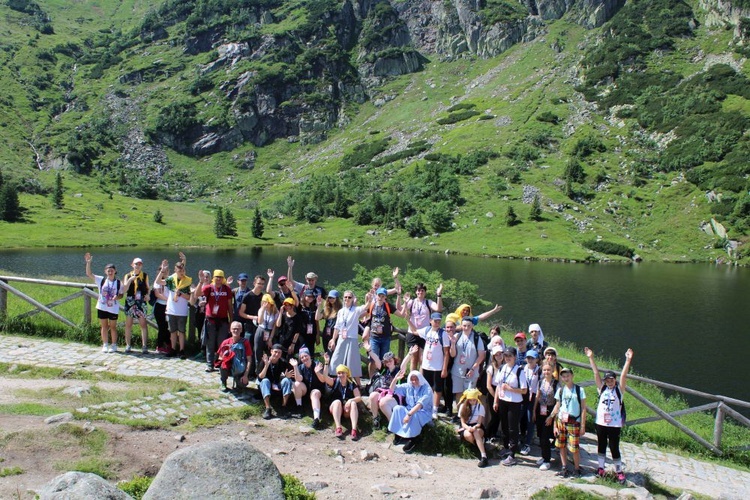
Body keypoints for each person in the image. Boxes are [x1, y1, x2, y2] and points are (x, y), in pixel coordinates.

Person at [586, 347, 634, 484]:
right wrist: (591, 357)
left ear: (615, 380)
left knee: (614, 447)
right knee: (601, 445)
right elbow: (595, 374)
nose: (609, 382)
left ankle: (619, 471)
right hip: (601, 422)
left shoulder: (619, 390)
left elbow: (624, 376)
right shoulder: (602, 389)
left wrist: (628, 360)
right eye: (607, 380)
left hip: (614, 424)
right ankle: (601, 468)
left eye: (611, 379)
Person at [84, 253, 129, 353]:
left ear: (115, 271)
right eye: (108, 270)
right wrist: (88, 263)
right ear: (105, 272)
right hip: (102, 306)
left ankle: (114, 345)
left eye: (112, 270)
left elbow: (121, 294)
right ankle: (105, 344)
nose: (110, 272)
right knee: (104, 326)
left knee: (113, 326)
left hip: (113, 308)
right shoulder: (101, 280)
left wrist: (117, 297)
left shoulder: (118, 282)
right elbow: (89, 274)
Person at [492, 347, 527, 466]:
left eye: (510, 356)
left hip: (514, 402)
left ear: (515, 357)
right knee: (505, 426)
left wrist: (510, 389)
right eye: (506, 356)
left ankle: (512, 454)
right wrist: (495, 401)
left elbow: (524, 390)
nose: (507, 358)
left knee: (513, 428)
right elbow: (498, 385)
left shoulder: (519, 371)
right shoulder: (502, 368)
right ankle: (506, 447)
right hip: (503, 400)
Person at [364, 345, 414, 429]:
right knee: (372, 395)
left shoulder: (399, 370)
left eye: (390, 360)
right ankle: (375, 418)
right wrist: (369, 350)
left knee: (383, 402)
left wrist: (409, 354)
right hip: (383, 392)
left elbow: (404, 364)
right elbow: (376, 359)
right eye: (386, 361)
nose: (388, 363)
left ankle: (393, 424)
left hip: (395, 394)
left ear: (394, 360)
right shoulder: (383, 369)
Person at [411, 312, 450, 420]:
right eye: (435, 321)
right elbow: (414, 331)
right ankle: (426, 406)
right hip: (426, 365)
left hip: (438, 366)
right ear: (430, 321)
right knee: (426, 387)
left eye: (439, 321)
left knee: (437, 389)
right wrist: (408, 320)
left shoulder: (443, 334)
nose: (437, 323)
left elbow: (446, 352)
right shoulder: (427, 330)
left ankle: (435, 410)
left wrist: (444, 368)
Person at [328, 290, 370, 386]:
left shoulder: (355, 310)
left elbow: (366, 307)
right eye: (345, 297)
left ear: (352, 299)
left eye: (349, 297)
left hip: (352, 339)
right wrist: (333, 340)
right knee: (336, 359)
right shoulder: (340, 311)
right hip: (341, 339)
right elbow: (337, 327)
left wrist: (369, 299)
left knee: (353, 362)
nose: (347, 299)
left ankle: (359, 385)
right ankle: (334, 382)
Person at [551, 367, 587, 478]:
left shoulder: (579, 390)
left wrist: (582, 425)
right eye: (564, 376)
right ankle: (564, 467)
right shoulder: (560, 390)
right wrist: (555, 425)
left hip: (573, 421)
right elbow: (557, 406)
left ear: (572, 376)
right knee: (561, 445)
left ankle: (577, 468)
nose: (566, 378)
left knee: (574, 447)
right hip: (561, 421)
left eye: (568, 376)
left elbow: (583, 408)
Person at [388, 369, 434, 453]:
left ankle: (413, 438)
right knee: (397, 408)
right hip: (409, 409)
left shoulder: (426, 389)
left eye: (416, 379)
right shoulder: (408, 386)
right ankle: (398, 433)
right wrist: (395, 379)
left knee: (415, 415)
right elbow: (392, 389)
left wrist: (408, 415)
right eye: (412, 379)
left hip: (423, 412)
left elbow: (420, 405)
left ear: (420, 379)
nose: (414, 381)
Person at [320, 352, 362, 440]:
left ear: (347, 374)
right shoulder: (335, 381)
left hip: (346, 409)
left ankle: (354, 430)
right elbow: (325, 377)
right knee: (337, 402)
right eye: (339, 373)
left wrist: (350, 400)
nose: (341, 375)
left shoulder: (351, 384)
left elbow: (359, 397)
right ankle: (338, 428)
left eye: (343, 373)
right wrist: (326, 363)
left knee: (353, 403)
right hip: (335, 407)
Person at [155, 255, 191, 359]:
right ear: (175, 271)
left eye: (182, 270)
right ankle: (173, 349)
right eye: (179, 271)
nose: (181, 272)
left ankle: (182, 350)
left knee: (182, 331)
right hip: (171, 310)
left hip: (182, 311)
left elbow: (188, 297)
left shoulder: (187, 281)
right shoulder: (171, 280)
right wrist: (162, 271)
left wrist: (180, 294)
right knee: (173, 331)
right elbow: (158, 282)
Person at [401, 282, 443, 371]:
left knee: (422, 359)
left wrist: (439, 295)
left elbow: (439, 309)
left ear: (425, 292)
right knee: (413, 358)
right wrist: (405, 302)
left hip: (425, 333)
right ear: (416, 292)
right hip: (412, 332)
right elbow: (401, 310)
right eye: (418, 291)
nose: (420, 292)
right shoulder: (411, 302)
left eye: (422, 291)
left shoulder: (428, 302)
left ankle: (420, 379)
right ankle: (412, 380)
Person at [201, 270, 234, 372]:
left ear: (223, 278)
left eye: (220, 277)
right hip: (210, 320)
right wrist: (200, 281)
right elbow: (198, 293)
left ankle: (221, 364)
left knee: (222, 344)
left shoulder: (227, 289)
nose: (218, 279)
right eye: (216, 277)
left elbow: (229, 305)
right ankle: (209, 364)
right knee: (210, 343)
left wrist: (231, 321)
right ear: (213, 278)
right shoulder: (209, 288)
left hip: (223, 321)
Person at [450, 317, 486, 408]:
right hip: (458, 370)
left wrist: (473, 368)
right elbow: (452, 354)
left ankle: (468, 415)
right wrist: (453, 344)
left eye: (468, 326)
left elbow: (481, 355)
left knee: (470, 395)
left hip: (471, 371)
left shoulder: (477, 338)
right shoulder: (457, 336)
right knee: (459, 393)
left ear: (472, 326)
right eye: (464, 325)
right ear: (461, 325)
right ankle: (459, 415)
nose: (466, 328)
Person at [363, 287, 399, 377]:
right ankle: (371, 380)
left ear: (385, 297)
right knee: (373, 360)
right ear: (376, 295)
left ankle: (384, 379)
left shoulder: (388, 306)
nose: (381, 297)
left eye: (383, 296)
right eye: (379, 295)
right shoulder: (372, 305)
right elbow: (362, 313)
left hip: (385, 337)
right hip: (374, 337)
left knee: (385, 360)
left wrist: (403, 301)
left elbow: (401, 314)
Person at [238, 274, 267, 375]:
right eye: (259, 283)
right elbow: (241, 313)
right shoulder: (248, 296)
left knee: (258, 350)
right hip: (249, 326)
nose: (260, 286)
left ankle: (257, 372)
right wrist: (252, 317)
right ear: (254, 283)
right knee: (248, 349)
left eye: (262, 284)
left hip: (260, 327)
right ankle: (247, 372)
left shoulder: (263, 297)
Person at [533, 360, 558, 471]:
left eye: (548, 370)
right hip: (540, 411)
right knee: (540, 436)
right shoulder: (540, 382)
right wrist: (534, 411)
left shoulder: (556, 384)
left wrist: (551, 416)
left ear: (552, 370)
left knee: (545, 437)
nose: (546, 372)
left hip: (550, 411)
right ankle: (544, 457)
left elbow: (558, 402)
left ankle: (547, 460)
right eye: (544, 370)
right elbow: (537, 397)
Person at [289, 347, 325, 423]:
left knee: (314, 393)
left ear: (309, 356)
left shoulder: (317, 364)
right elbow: (299, 379)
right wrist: (295, 366)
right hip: (306, 390)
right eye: (302, 357)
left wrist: (317, 372)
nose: (304, 358)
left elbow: (323, 380)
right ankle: (299, 407)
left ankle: (316, 419)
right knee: (296, 384)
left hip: (317, 390)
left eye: (306, 356)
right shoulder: (300, 367)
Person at [258, 344, 294, 420]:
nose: (277, 354)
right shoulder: (265, 361)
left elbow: (290, 374)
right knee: (265, 381)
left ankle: (284, 406)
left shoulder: (283, 362)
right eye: (275, 352)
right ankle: (268, 408)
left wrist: (287, 376)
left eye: (279, 353)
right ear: (271, 351)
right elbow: (260, 377)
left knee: (287, 381)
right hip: (266, 385)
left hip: (277, 385)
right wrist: (266, 365)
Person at [123, 257, 150, 354]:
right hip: (130, 301)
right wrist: (130, 279)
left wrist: (147, 295)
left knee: (143, 324)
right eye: (136, 264)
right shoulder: (127, 275)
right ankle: (128, 345)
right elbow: (124, 289)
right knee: (128, 324)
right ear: (132, 265)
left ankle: (144, 346)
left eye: (139, 264)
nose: (138, 266)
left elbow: (148, 288)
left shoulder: (145, 275)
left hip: (141, 301)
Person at [456, 388, 489, 468]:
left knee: (476, 432)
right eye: (470, 400)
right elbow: (463, 423)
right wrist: (468, 428)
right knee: (468, 435)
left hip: (477, 426)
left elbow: (479, 423)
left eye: (474, 400)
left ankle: (483, 456)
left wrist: (474, 427)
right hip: (466, 426)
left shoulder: (480, 407)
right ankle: (479, 446)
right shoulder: (462, 407)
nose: (472, 402)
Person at [215, 321, 252, 392]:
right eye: (234, 329)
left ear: (241, 330)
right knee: (223, 365)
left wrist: (245, 375)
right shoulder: (225, 342)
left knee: (243, 384)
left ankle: (237, 381)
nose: (236, 330)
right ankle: (223, 382)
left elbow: (249, 359)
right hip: (228, 367)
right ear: (230, 330)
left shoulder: (245, 342)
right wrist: (227, 357)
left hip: (240, 367)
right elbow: (219, 357)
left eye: (238, 329)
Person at [520, 350, 540, 455]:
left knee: (530, 420)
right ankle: (519, 438)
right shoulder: (523, 368)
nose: (530, 360)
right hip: (523, 397)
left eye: (532, 358)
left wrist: (534, 406)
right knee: (519, 417)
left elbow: (539, 389)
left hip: (533, 399)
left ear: (537, 359)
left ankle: (527, 444)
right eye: (528, 358)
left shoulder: (539, 371)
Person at [253, 293, 279, 376]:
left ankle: (269, 372)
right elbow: (259, 321)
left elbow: (275, 326)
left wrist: (271, 338)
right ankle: (258, 373)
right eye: (264, 302)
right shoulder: (261, 310)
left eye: (268, 302)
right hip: (261, 330)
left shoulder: (275, 311)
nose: (266, 304)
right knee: (258, 352)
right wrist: (263, 309)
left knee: (269, 352)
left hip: (270, 331)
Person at [484, 345, 505, 443]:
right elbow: (488, 385)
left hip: (502, 392)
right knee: (494, 416)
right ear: (493, 356)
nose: (499, 356)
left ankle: (493, 434)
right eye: (497, 355)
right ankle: (487, 434)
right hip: (493, 392)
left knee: (500, 416)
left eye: (500, 354)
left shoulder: (505, 366)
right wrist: (496, 398)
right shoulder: (491, 368)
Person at [152, 262, 171, 354]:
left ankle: (168, 344)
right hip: (160, 306)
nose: (165, 272)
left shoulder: (170, 281)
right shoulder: (157, 282)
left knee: (167, 327)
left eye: (167, 271)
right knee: (162, 327)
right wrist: (168, 299)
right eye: (163, 271)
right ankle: (160, 346)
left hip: (168, 307)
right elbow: (157, 294)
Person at [297, 289, 320, 355]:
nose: (310, 298)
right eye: (308, 296)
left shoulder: (315, 308)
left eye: (312, 297)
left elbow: (317, 321)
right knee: (303, 351)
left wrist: (318, 335)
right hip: (302, 334)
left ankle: (311, 363)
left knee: (311, 351)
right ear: (304, 296)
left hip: (312, 333)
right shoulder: (300, 307)